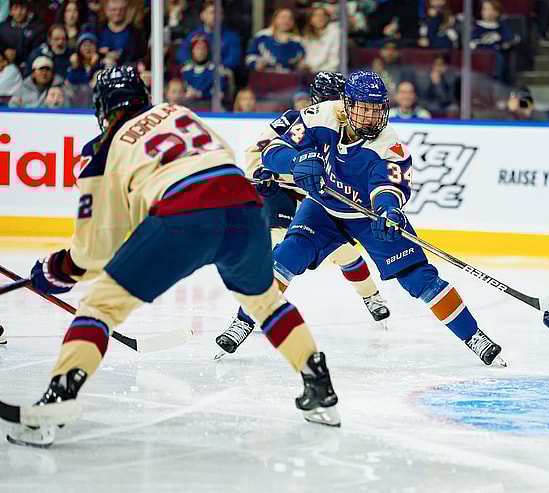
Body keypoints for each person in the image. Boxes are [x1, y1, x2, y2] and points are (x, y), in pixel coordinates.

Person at [4, 66, 340, 448]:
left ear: (101, 108)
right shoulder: (179, 113)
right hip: (245, 209)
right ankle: (319, 384)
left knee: (99, 306)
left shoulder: (103, 152)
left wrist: (56, 271)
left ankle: (58, 399)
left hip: (185, 214)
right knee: (263, 301)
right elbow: (222, 160)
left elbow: (93, 253)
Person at [259, 70, 506, 366]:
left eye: (377, 109)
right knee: (286, 255)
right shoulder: (320, 115)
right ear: (348, 105)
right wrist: (293, 161)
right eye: (364, 108)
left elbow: (387, 187)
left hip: (366, 215)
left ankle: (474, 336)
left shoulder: (388, 144)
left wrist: (389, 210)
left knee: (420, 278)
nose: (372, 117)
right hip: (323, 207)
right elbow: (272, 150)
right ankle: (243, 323)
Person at [215, 72, 392, 356]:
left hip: (322, 198)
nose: (334, 106)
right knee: (280, 250)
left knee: (344, 252)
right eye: (328, 99)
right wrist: (263, 172)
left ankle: (371, 296)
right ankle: (254, 312)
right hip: (285, 193)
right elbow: (260, 151)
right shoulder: (297, 120)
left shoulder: (353, 130)